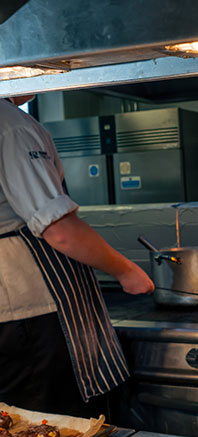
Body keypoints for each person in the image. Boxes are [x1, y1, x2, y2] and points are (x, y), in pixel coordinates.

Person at [0, 94, 154, 418]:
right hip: (28, 307)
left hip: (13, 315)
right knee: (53, 426)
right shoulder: (10, 124)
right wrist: (127, 272)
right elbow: (61, 231)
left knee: (17, 432)